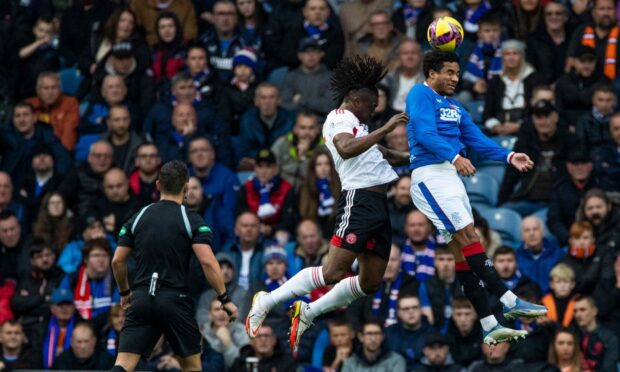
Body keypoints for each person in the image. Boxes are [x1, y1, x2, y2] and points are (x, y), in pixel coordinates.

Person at [245, 56, 410, 354]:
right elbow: (345, 149)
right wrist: (385, 128)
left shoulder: (360, 127)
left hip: (377, 205)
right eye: (370, 107)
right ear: (357, 100)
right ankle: (266, 300)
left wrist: (426, 158)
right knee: (333, 272)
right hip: (358, 201)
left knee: (371, 282)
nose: (372, 113)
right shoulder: (339, 119)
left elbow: (385, 153)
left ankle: (308, 312)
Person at [405, 50, 546, 345]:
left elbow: (476, 137)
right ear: (431, 73)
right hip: (430, 175)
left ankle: (488, 322)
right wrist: (454, 156)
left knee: (464, 250)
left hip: (450, 177)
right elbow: (423, 131)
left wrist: (508, 155)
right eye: (449, 72)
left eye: (458, 73)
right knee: (468, 236)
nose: (455, 78)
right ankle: (509, 300)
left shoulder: (455, 106)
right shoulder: (420, 94)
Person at [110, 160, 238, 372]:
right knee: (192, 367)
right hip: (173, 302)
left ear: (158, 185)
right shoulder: (191, 220)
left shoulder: (138, 218)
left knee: (123, 365)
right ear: (186, 187)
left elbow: (117, 260)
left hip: (141, 299)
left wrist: (125, 291)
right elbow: (207, 260)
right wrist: (225, 299)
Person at [280, 38, 336, 118]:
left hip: (322, 124)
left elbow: (329, 106)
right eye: (306, 52)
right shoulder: (291, 77)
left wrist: (301, 100)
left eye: (314, 51)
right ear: (299, 55)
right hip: (296, 125)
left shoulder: (331, 78)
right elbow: (285, 105)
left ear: (321, 54)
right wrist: (317, 104)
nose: (311, 55)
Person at [25, 72, 79, 151]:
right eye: (46, 88)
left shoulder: (70, 103)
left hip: (60, 151)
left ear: (60, 90)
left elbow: (69, 135)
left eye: (54, 88)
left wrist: (61, 155)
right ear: (38, 91)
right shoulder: (29, 105)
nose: (50, 92)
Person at [271, 111, 324, 189]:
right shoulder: (282, 144)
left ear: (317, 130)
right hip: (283, 191)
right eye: (303, 127)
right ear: (295, 129)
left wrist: (303, 156)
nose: (307, 132)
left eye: (311, 128)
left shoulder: (324, 149)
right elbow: (270, 170)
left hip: (312, 192)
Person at [516, 216, 564, 293]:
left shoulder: (558, 254)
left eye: (535, 229)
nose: (531, 233)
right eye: (527, 230)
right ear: (522, 236)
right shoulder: (516, 257)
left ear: (542, 232)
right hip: (526, 302)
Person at [572, 295, 619, 371]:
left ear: (594, 311)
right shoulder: (572, 336)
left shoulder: (609, 338)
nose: (578, 314)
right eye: (575, 311)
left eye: (582, 310)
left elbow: (608, 369)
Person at [384, 293, 431, 369]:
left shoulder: (433, 333)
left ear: (421, 309)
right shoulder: (388, 333)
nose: (411, 311)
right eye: (406, 309)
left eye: (415, 307)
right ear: (398, 313)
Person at [341, 319, 406, 371]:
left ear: (382, 336)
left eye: (377, 334)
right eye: (369, 334)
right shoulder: (350, 363)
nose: (373, 339)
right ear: (361, 337)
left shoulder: (395, 361)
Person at [231, 322, 298, 371]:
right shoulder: (240, 363)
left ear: (274, 340)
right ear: (251, 342)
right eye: (258, 336)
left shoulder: (287, 362)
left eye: (267, 336)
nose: (263, 340)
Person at [446, 296, 482, 367]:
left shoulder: (485, 338)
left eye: (467, 314)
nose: (463, 319)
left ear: (475, 315)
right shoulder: (446, 340)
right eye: (458, 314)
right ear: (453, 316)